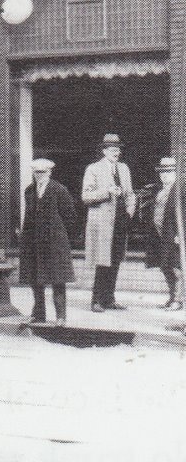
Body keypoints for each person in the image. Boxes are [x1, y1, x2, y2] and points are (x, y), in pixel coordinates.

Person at [82, 132, 135, 312]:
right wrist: (107, 192)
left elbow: (130, 194)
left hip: (120, 222)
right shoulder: (93, 169)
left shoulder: (124, 169)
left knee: (116, 260)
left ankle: (109, 299)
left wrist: (129, 212)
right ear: (104, 151)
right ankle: (96, 300)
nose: (117, 153)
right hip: (102, 224)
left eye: (118, 150)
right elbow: (86, 196)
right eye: (113, 150)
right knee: (102, 261)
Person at [18, 158, 75, 326]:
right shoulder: (29, 191)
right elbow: (28, 216)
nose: (39, 175)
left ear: (49, 172)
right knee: (35, 279)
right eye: (36, 172)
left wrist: (62, 236)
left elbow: (70, 216)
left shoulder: (59, 189)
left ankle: (61, 317)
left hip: (55, 243)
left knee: (58, 280)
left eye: (42, 172)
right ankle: (39, 314)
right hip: (33, 242)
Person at [139, 155, 184, 311]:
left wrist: (181, 234)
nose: (165, 174)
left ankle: (178, 300)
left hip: (174, 236)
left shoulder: (181, 189)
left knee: (176, 268)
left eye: (169, 171)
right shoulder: (159, 190)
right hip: (159, 235)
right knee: (165, 266)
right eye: (162, 172)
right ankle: (172, 297)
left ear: (176, 173)